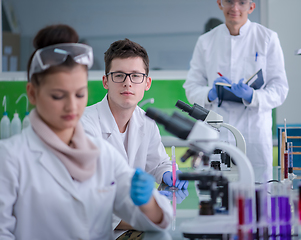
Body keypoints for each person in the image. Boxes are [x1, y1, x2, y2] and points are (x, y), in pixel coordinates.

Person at [0, 24, 172, 240]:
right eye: (58, 96)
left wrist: (148, 201)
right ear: (32, 94)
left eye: (80, 94)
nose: (72, 107)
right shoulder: (9, 158)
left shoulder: (102, 154)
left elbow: (160, 218)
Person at [80, 38, 188, 233]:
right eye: (119, 75)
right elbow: (91, 200)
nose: (128, 83)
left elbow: (157, 163)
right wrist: (149, 219)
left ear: (147, 83)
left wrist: (167, 173)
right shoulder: (85, 126)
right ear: (106, 81)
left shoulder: (146, 121)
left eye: (136, 76)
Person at [183, 0, 289, 183]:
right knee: (217, 193)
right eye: (229, 2)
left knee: (258, 193)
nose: (235, 8)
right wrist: (210, 93)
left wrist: (253, 96)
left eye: (242, 2)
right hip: (217, 131)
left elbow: (280, 89)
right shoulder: (206, 41)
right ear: (220, 4)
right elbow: (191, 87)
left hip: (254, 132)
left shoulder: (267, 38)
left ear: (251, 6)